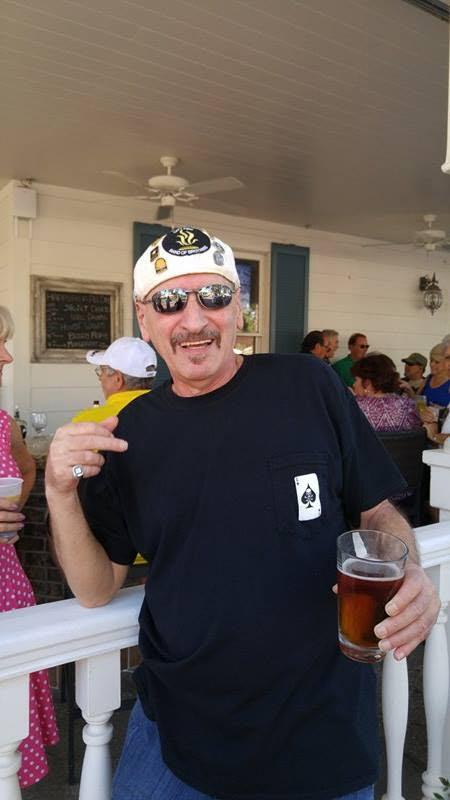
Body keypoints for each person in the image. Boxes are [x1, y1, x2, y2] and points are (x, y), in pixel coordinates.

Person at [45, 227, 439, 800]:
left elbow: (376, 509)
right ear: (144, 319)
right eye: (170, 301)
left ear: (238, 308)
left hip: (320, 735)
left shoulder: (307, 385)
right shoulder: (127, 433)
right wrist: (59, 492)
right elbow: (95, 586)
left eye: (213, 295)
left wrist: (412, 569)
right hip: (175, 736)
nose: (194, 320)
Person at [0, 306, 59, 788]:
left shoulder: (3, 423)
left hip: (6, 585)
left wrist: (12, 511)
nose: (7, 356)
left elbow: (26, 466)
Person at [72, 337, 157, 423]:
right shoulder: (164, 414)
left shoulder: (88, 421)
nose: (100, 378)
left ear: (118, 379)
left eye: (102, 371)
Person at [351, 354, 421, 433]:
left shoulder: (353, 408)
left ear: (367, 383)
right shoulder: (408, 406)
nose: (354, 384)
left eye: (356, 380)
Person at [419, 343, 450, 408]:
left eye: (437, 362)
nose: (432, 364)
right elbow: (418, 400)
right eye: (431, 360)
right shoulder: (428, 378)